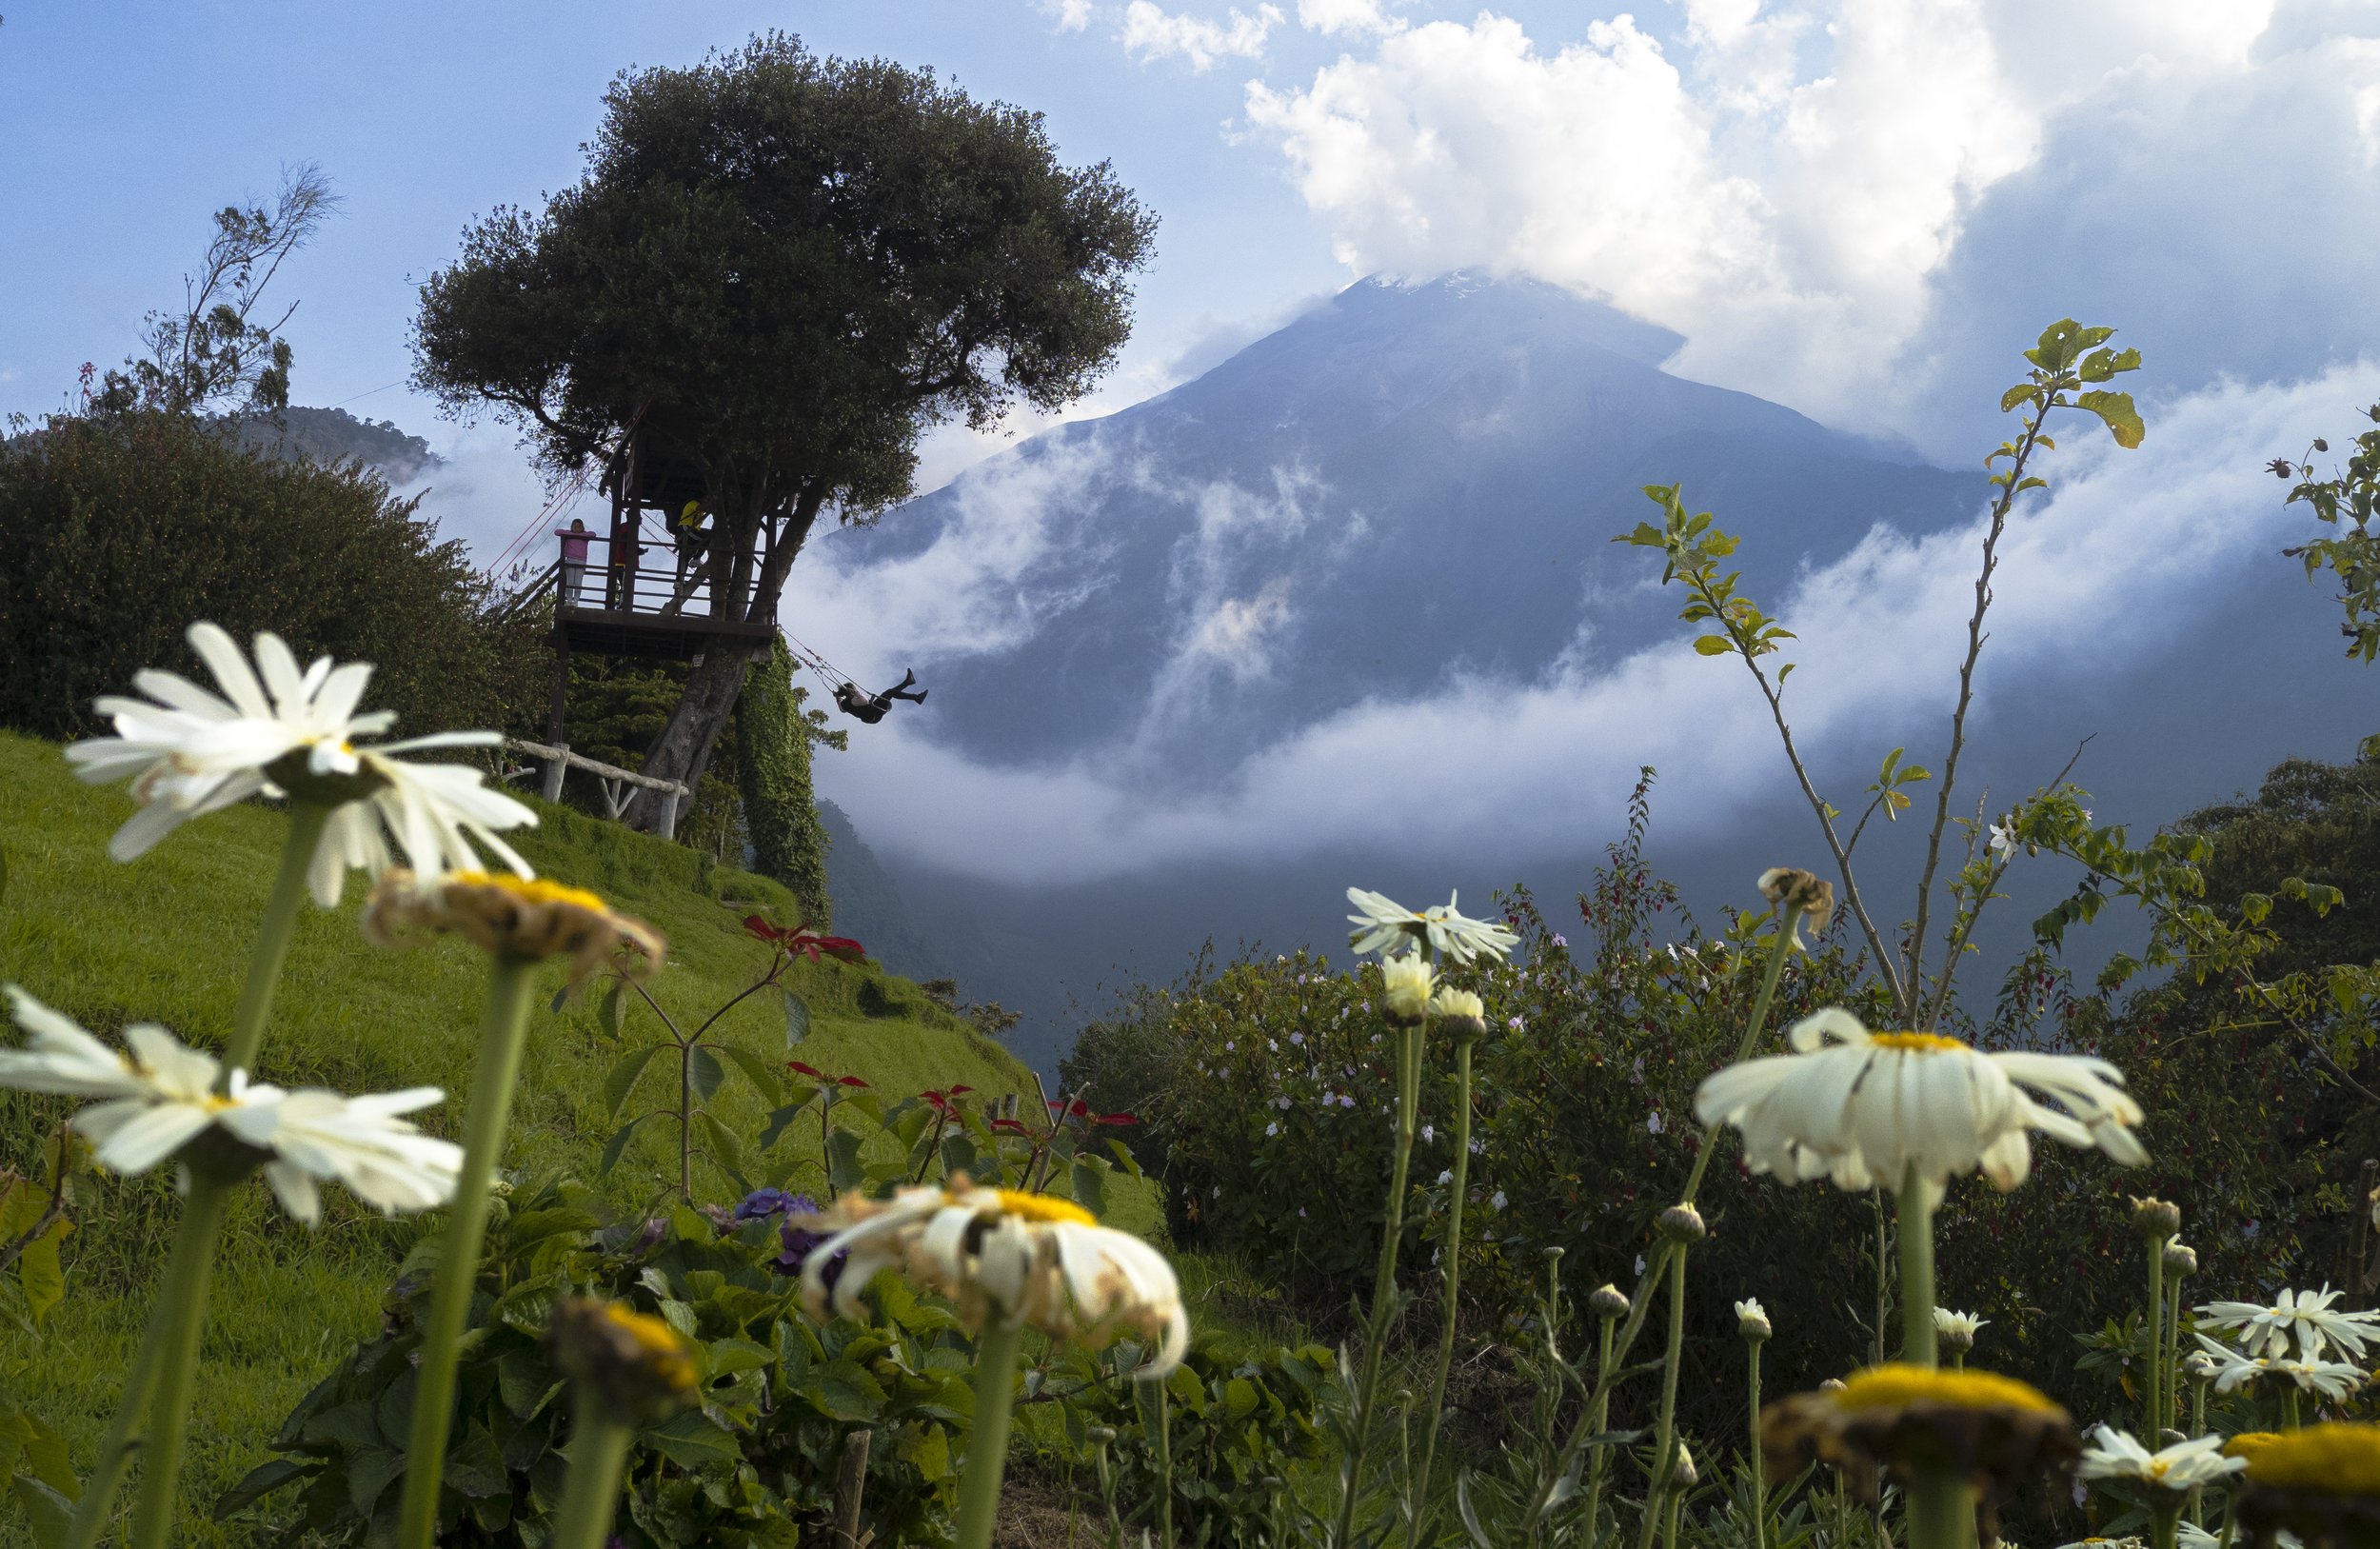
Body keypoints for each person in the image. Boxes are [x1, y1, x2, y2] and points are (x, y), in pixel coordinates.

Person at [832, 669, 928, 724]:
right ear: (850, 691)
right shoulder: (851, 700)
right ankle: (915, 695)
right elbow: (864, 700)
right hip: (873, 712)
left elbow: (842, 710)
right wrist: (856, 692)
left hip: (872, 716)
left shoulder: (845, 703)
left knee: (890, 693)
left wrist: (837, 698)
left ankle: (909, 683)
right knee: (890, 692)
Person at [557, 517, 593, 606]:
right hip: (570, 559)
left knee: (578, 582)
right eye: (575, 527)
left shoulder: (585, 536)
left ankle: (575, 601)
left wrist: (579, 535)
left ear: (582, 528)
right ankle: (569, 600)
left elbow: (593, 534)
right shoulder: (569, 535)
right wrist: (569, 533)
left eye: (579, 527)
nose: (577, 529)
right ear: (572, 527)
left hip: (581, 561)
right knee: (570, 582)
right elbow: (557, 532)